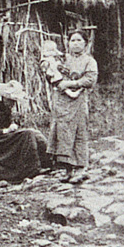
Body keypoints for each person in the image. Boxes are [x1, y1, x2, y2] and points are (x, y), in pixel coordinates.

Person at [47, 30, 98, 182]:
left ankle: (81, 168)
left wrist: (70, 83)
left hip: (78, 101)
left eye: (79, 40)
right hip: (61, 101)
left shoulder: (89, 61)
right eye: (72, 40)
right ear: (67, 43)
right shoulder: (63, 59)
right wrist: (53, 78)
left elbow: (90, 80)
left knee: (79, 132)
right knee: (62, 133)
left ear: (85, 43)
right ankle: (68, 169)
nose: (75, 43)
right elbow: (51, 73)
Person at [0, 80, 50, 181]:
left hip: (5, 139)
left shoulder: (6, 108)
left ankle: (49, 161)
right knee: (27, 134)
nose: (13, 104)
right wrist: (6, 130)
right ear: (3, 98)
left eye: (14, 101)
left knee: (35, 133)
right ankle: (31, 169)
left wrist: (12, 126)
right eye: (10, 101)